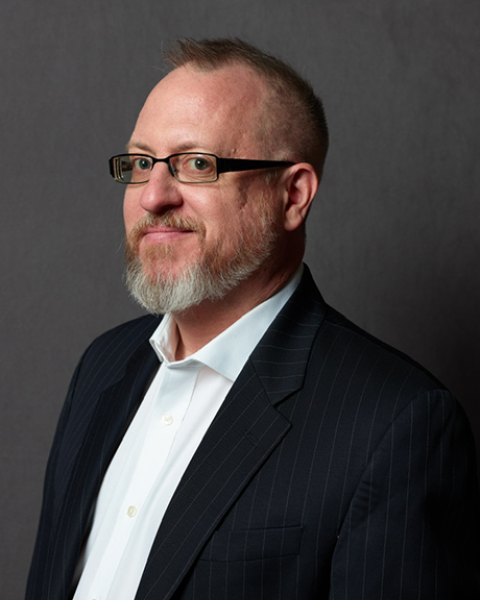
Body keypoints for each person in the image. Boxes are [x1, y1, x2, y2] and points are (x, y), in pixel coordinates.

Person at [26, 38, 480, 600]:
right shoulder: (103, 366)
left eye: (197, 164)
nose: (152, 197)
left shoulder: (395, 424)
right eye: (142, 163)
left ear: (293, 195)